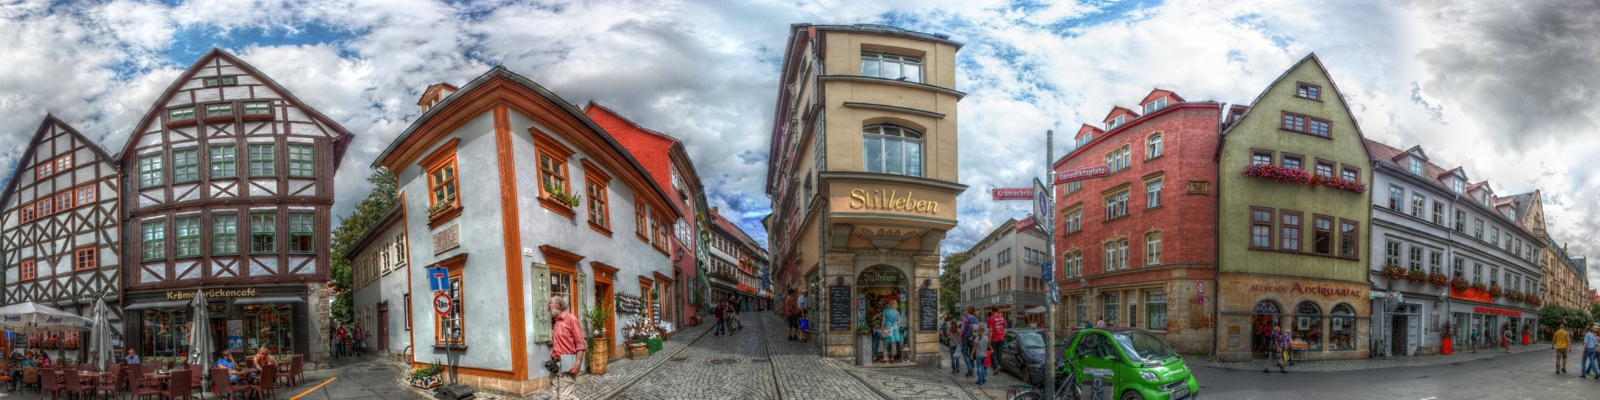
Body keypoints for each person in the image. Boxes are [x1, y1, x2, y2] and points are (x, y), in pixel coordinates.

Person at [549, 294, 585, 400]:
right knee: (553, 395)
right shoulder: (556, 322)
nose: (548, 309)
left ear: (557, 305)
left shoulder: (571, 319)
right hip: (555, 362)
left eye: (549, 306)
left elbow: (580, 344)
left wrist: (577, 364)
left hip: (568, 361)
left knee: (565, 397)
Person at [959, 307, 980, 377]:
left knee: (965, 354)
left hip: (966, 337)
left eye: (966, 309)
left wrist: (960, 338)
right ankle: (972, 370)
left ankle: (970, 368)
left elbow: (962, 329)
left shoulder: (965, 317)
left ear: (968, 310)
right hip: (973, 338)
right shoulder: (976, 319)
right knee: (972, 354)